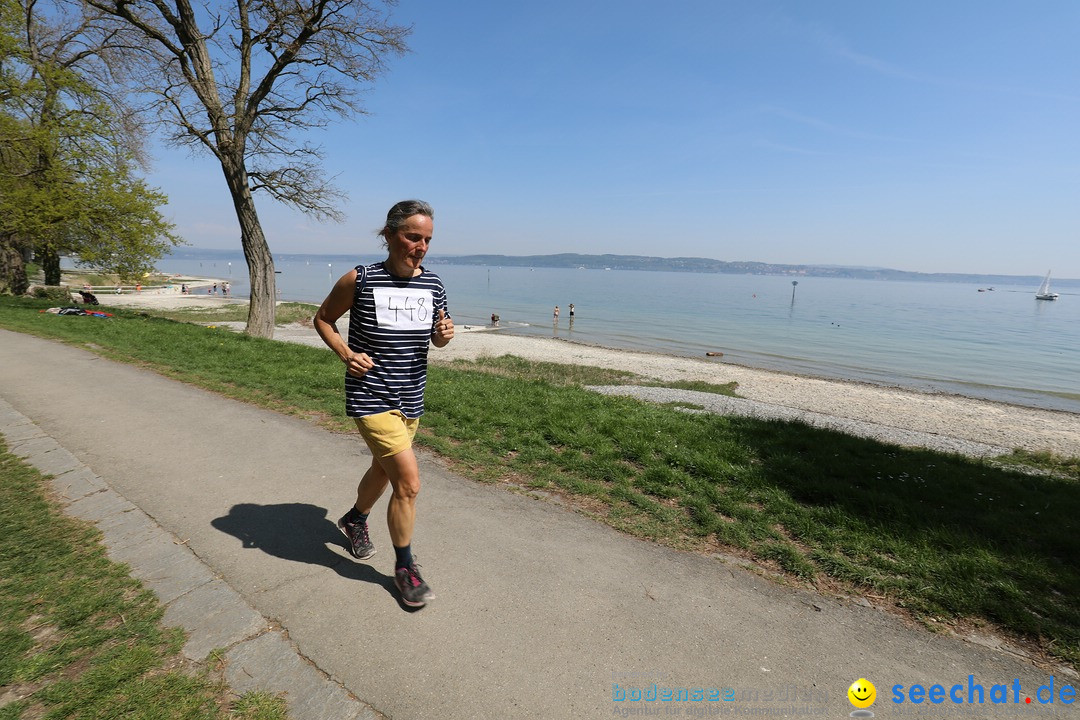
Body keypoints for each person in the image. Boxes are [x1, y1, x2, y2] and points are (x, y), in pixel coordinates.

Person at [314, 200, 454, 608]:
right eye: (413, 237)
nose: (421, 246)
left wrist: (444, 335)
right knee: (408, 482)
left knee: (382, 468)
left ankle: (355, 519)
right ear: (389, 235)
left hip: (411, 394)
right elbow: (323, 317)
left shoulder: (434, 285)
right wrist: (345, 353)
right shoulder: (360, 279)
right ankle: (404, 568)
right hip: (369, 393)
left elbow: (437, 338)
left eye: (427, 239)